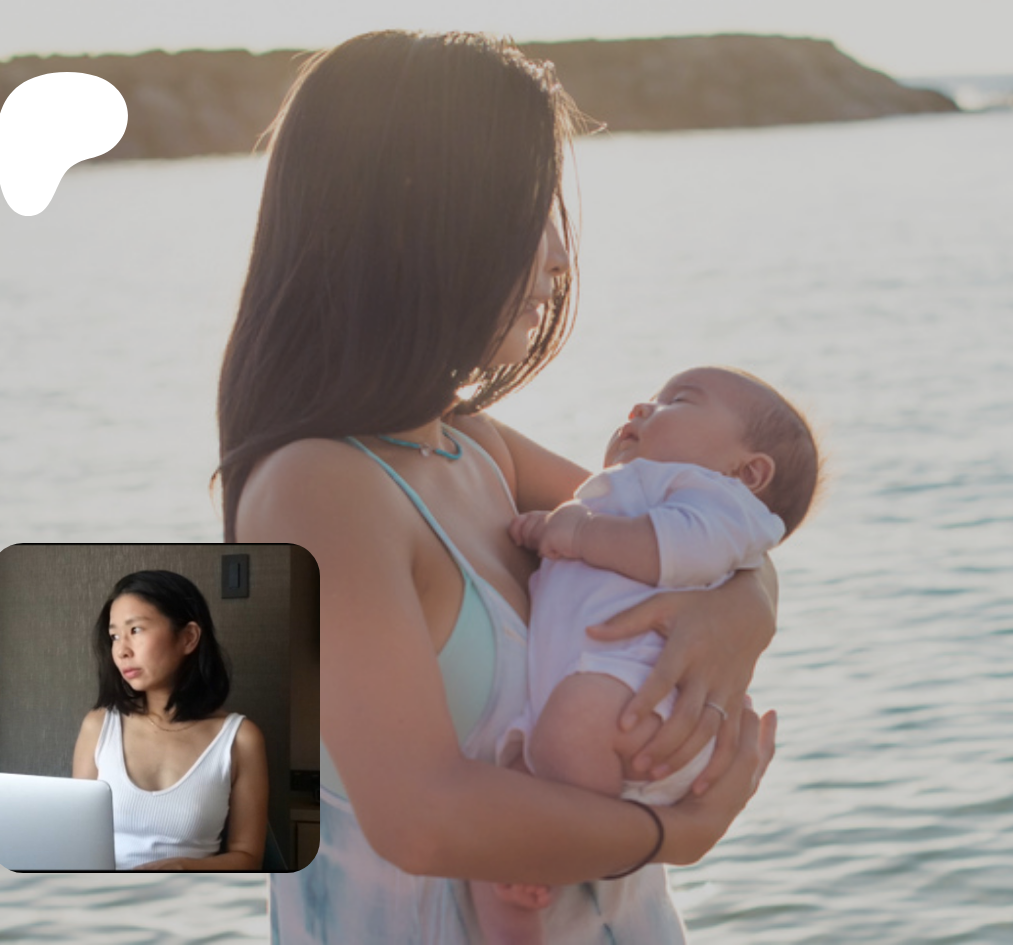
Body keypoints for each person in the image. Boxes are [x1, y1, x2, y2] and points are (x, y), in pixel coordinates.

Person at [216, 30, 778, 943]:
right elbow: (421, 816)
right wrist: (672, 834)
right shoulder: (318, 489)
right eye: (529, 204)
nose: (559, 251)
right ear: (414, 212)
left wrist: (745, 608)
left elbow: (706, 524)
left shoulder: (473, 447)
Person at [474, 366, 821, 942]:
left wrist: (576, 533)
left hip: (643, 701)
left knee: (569, 727)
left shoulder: (711, 497)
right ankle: (517, 910)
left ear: (749, 472)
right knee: (509, 789)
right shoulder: (632, 494)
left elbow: (690, 546)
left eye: (676, 401)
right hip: (616, 699)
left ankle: (564, 854)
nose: (640, 408)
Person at [71, 570, 270, 871]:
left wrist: (184, 868)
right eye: (114, 636)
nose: (122, 650)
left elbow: (248, 857)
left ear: (188, 637)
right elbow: (76, 840)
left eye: (135, 630)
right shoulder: (98, 726)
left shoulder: (241, 739)